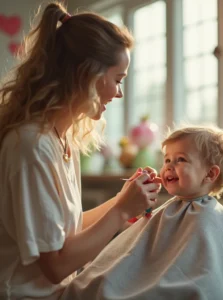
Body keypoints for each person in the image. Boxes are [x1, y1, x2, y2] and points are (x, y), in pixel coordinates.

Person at [0, 2, 161, 299]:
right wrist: (122, 209)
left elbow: (64, 233)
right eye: (118, 79)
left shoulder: (61, 139)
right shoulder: (31, 147)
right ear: (88, 73)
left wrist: (122, 202)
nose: (119, 93)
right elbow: (55, 265)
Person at [61, 124, 223, 300]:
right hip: (146, 281)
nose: (169, 166)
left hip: (178, 287)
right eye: (167, 160)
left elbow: (204, 277)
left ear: (210, 173)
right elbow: (141, 256)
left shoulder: (210, 218)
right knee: (98, 282)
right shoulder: (167, 209)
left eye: (180, 159)